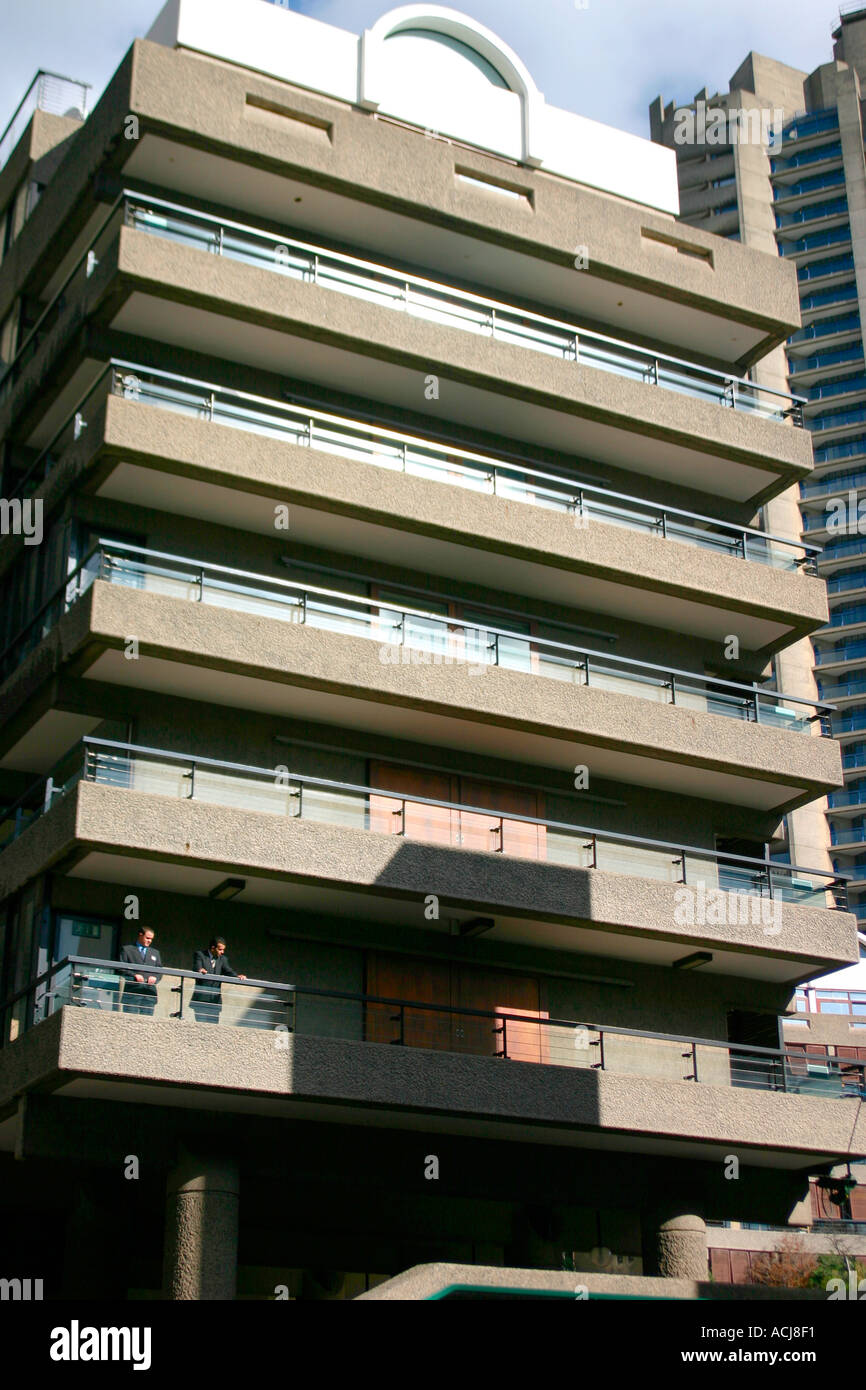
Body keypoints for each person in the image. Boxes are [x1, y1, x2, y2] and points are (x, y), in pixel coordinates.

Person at [189, 937, 246, 1024]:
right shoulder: (200, 955)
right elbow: (197, 967)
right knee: (200, 1027)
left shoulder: (222, 959)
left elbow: (228, 971)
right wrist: (200, 970)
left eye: (223, 950)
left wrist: (237, 976)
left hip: (215, 1000)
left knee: (213, 1028)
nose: (222, 952)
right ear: (212, 948)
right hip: (201, 999)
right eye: (220, 950)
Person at [119, 928, 162, 1016]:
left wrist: (155, 978)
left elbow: (160, 971)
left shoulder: (155, 952)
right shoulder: (127, 949)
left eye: (151, 939)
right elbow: (121, 968)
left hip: (149, 994)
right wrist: (134, 975)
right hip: (132, 993)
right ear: (140, 935)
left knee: (146, 1023)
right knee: (129, 1021)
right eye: (147, 938)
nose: (149, 941)